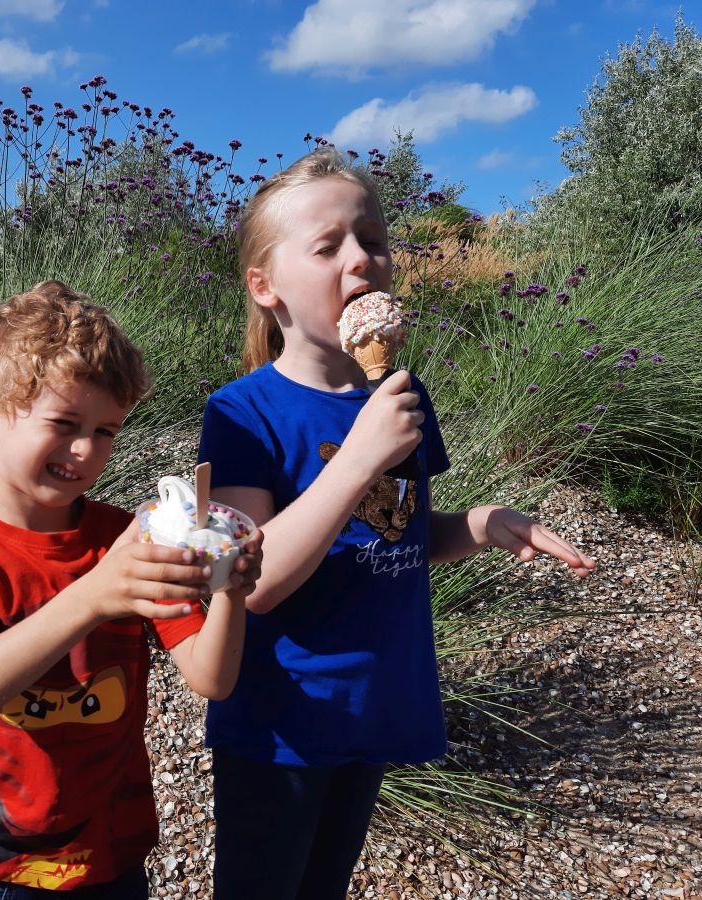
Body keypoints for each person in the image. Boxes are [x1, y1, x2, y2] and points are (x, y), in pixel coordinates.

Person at [198, 147, 596, 900]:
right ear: (265, 286)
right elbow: (250, 582)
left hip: (377, 702)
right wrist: (356, 459)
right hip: (283, 721)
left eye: (374, 240)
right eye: (327, 247)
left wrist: (479, 525)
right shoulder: (242, 414)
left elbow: (399, 537)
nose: (362, 259)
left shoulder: (403, 397)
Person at [0, 281, 262, 898]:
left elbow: (211, 677)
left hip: (112, 854)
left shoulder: (128, 538)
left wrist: (231, 586)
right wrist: (93, 596)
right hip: (2, 868)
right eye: (64, 422)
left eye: (105, 431)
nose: (83, 450)